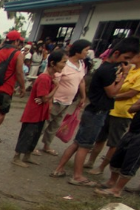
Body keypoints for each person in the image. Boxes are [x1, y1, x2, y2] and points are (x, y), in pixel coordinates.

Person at [51, 37, 140, 186]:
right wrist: (123, 76)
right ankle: (77, 176)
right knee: (85, 146)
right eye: (126, 58)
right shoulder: (108, 70)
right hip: (97, 112)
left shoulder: (107, 68)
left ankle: (59, 169)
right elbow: (112, 93)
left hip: (93, 110)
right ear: (117, 53)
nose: (127, 62)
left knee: (78, 143)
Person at [86, 52, 140, 174]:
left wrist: (113, 96)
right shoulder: (128, 70)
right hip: (110, 108)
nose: (130, 58)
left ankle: (102, 167)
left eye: (134, 56)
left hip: (122, 112)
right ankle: (90, 161)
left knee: (114, 142)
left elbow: (132, 93)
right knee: (100, 137)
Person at [13, 50, 66, 168]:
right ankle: (17, 157)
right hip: (34, 112)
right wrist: (56, 87)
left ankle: (27, 155)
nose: (64, 65)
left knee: (35, 134)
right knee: (27, 134)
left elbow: (45, 99)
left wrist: (46, 98)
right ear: (53, 63)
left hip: (41, 112)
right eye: (63, 62)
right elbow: (45, 97)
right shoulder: (44, 78)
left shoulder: (49, 77)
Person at [38, 39, 90, 156]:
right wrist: (50, 101)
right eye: (86, 50)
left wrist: (83, 96)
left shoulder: (81, 65)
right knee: (45, 123)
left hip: (68, 101)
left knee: (55, 125)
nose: (87, 52)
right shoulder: (64, 64)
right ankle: (33, 145)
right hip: (56, 100)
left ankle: (47, 145)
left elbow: (81, 81)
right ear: (78, 51)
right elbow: (54, 81)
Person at [95, 99, 140, 198]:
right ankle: (111, 182)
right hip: (132, 131)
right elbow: (130, 109)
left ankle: (117, 190)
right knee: (118, 158)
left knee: (131, 162)